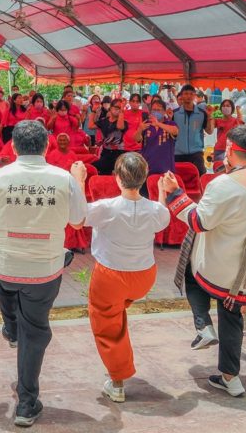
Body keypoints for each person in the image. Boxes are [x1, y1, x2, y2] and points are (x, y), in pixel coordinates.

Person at [0, 120, 87, 427]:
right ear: (46, 147)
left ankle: (12, 326)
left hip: (5, 267)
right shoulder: (63, 178)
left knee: (10, 296)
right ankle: (27, 402)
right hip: (45, 270)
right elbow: (79, 221)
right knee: (35, 331)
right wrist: (78, 181)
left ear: (13, 147)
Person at [159, 124, 246, 398]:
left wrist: (175, 193)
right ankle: (231, 377)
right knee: (232, 317)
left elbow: (198, 221)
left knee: (190, 273)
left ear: (230, 151)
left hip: (221, 268)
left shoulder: (223, 184)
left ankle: (203, 326)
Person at [73, 153, 170, 403]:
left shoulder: (107, 208)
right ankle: (118, 364)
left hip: (112, 276)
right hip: (144, 277)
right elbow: (161, 217)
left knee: (108, 327)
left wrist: (77, 181)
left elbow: (77, 220)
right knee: (116, 313)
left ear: (116, 178)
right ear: (144, 178)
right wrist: (161, 193)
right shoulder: (155, 209)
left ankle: (117, 382)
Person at [134, 100, 178, 189]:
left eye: (159, 110)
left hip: (166, 170)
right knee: (147, 196)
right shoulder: (146, 125)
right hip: (147, 168)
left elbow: (175, 131)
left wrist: (158, 123)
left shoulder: (170, 123)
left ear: (164, 112)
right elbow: (136, 139)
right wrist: (139, 129)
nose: (156, 112)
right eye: (154, 110)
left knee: (166, 198)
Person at [171, 84, 213, 176]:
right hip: (178, 154)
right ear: (181, 95)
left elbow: (209, 131)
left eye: (191, 94)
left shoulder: (202, 114)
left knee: (199, 180)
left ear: (194, 95)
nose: (188, 96)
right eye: (186, 93)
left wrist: (210, 116)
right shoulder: (174, 114)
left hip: (196, 154)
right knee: (178, 183)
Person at [95, 97, 126, 175]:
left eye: (120, 108)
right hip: (106, 151)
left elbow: (120, 127)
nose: (117, 109)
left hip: (118, 152)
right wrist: (93, 111)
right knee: (101, 171)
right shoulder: (104, 121)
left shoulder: (123, 122)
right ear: (110, 108)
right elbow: (91, 125)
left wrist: (121, 112)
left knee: (117, 174)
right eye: (116, 107)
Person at [212, 99, 241, 167]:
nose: (225, 107)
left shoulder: (234, 121)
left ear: (232, 108)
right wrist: (212, 112)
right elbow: (210, 127)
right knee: (218, 170)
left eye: (228, 106)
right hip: (219, 149)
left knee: (229, 171)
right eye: (224, 106)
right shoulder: (218, 120)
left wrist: (238, 110)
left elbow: (240, 122)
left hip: (231, 150)